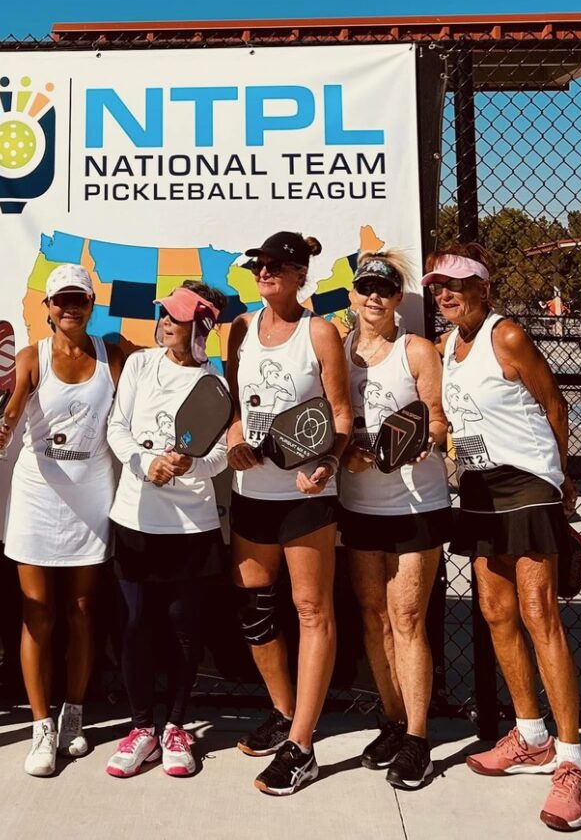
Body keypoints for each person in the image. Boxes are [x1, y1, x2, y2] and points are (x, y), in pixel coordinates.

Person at [425, 243, 581, 831]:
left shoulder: (508, 336)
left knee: (537, 612)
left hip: (527, 484)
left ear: (483, 288)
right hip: (477, 488)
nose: (444, 294)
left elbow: (554, 403)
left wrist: (562, 477)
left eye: (456, 284)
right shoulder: (448, 346)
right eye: (437, 285)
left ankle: (571, 763)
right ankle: (530, 736)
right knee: (497, 614)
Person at [0, 263, 124, 777]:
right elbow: (12, 410)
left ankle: (75, 716)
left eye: (79, 300)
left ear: (92, 305)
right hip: (38, 494)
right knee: (38, 612)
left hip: (93, 492)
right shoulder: (30, 357)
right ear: (47, 308)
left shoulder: (116, 355)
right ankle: (41, 726)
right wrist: (1, 431)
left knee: (85, 610)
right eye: (61, 300)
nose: (70, 308)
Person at [225, 231, 352, 796]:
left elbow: (342, 417)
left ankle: (302, 745)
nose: (265, 273)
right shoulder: (241, 329)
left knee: (309, 608)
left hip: (306, 497)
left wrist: (326, 463)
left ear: (301, 274)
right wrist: (233, 444)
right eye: (259, 265)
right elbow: (233, 409)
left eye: (276, 266)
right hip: (252, 493)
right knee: (255, 611)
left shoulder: (321, 332)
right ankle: (283, 711)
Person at [104, 282, 230, 779]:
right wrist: (144, 463)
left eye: (177, 318)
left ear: (199, 327)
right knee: (134, 628)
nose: (166, 323)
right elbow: (117, 427)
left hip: (192, 526)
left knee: (183, 630)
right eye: (165, 316)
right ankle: (142, 729)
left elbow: (220, 453)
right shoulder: (139, 365)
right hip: (135, 519)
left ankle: (176, 727)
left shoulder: (215, 381)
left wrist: (189, 465)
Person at [337, 251, 451, 790]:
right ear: (353, 295)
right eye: (366, 288)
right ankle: (392, 719)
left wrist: (413, 446)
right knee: (372, 616)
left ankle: (419, 738)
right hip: (357, 505)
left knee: (406, 618)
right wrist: (346, 455)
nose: (374, 297)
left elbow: (438, 421)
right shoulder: (334, 350)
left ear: (396, 297)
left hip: (414, 506)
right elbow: (327, 425)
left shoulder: (416, 350)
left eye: (384, 289)